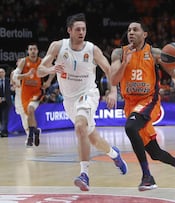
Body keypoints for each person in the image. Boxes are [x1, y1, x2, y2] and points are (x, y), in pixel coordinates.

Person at [37, 13, 127, 192]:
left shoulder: (92, 49)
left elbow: (109, 70)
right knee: (93, 138)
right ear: (69, 30)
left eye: (84, 29)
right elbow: (40, 70)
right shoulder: (57, 46)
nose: (81, 32)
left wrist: (113, 91)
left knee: (79, 126)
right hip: (69, 100)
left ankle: (84, 174)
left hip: (88, 94)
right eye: (77, 29)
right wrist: (50, 68)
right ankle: (114, 154)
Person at [110, 21, 175, 192]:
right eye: (129, 30)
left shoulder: (154, 53)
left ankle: (147, 177)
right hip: (130, 105)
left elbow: (174, 74)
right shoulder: (118, 53)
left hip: (149, 101)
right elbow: (113, 80)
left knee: (131, 127)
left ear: (144, 34)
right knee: (154, 152)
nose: (131, 32)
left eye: (135, 29)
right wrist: (126, 62)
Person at [12, 43, 54, 146]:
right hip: (24, 95)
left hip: (37, 92)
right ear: (28, 51)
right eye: (31, 49)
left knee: (30, 110)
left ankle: (30, 136)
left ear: (37, 51)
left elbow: (53, 70)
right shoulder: (23, 62)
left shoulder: (42, 62)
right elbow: (15, 76)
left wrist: (48, 82)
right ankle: (35, 131)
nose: (33, 51)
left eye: (34, 49)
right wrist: (26, 75)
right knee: (28, 115)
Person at [10, 59, 29, 137]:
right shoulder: (13, 73)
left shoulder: (27, 72)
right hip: (18, 96)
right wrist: (14, 87)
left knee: (27, 115)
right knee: (22, 115)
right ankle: (28, 133)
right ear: (17, 63)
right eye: (19, 61)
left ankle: (31, 132)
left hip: (27, 95)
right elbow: (11, 87)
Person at [0, 68, 12, 137]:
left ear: (4, 73)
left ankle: (4, 132)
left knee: (5, 118)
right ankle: (2, 130)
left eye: (2, 72)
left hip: (6, 102)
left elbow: (11, 91)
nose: (1, 73)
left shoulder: (8, 81)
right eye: (0, 72)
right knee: (1, 118)